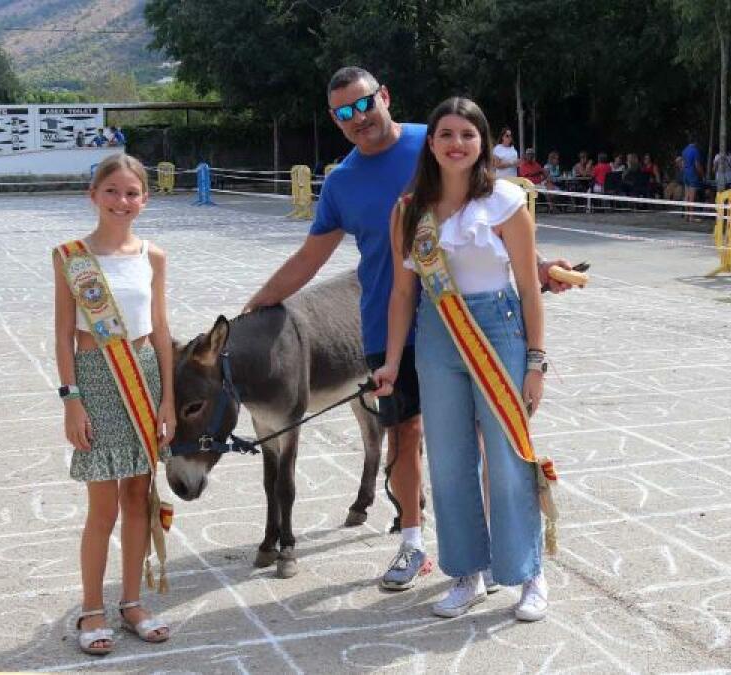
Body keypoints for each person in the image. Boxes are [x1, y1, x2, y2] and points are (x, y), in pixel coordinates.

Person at [244, 66, 574, 594]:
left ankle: (500, 556)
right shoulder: (343, 182)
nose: (359, 118)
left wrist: (533, 267)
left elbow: (490, 208)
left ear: (385, 97)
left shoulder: (440, 138)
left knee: (491, 446)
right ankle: (413, 540)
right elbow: (311, 256)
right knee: (408, 438)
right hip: (388, 322)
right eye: (344, 112)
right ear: (334, 120)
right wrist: (257, 303)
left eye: (364, 104)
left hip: (466, 319)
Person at [372, 96, 550, 621]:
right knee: (449, 460)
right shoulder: (410, 210)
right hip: (436, 336)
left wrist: (535, 363)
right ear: (431, 143)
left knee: (508, 456)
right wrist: (391, 361)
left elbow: (530, 289)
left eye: (468, 135)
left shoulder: (506, 202)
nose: (457, 144)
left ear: (484, 143)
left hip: (498, 330)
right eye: (446, 134)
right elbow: (403, 295)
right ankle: (467, 573)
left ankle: (528, 574)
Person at [53, 154, 175, 655]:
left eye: (131, 193)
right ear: (93, 195)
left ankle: (131, 603)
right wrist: (71, 401)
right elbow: (63, 336)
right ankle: (91, 608)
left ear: (144, 200)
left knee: (137, 500)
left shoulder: (154, 256)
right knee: (102, 506)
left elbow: (162, 331)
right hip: (96, 381)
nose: (122, 202)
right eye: (112, 191)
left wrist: (168, 400)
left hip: (143, 380)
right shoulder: (70, 257)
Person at [680, 136, 704, 220]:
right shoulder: (695, 151)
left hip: (685, 174)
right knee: (692, 196)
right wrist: (701, 174)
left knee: (686, 196)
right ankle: (691, 216)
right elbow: (697, 165)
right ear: (696, 142)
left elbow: (682, 165)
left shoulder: (684, 150)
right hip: (692, 174)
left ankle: (686, 215)